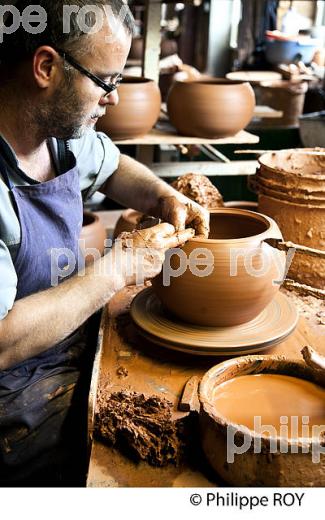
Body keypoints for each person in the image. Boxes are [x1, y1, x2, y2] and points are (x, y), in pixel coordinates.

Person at [0, 0, 209, 486]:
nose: (114, 98)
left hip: (70, 347)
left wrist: (163, 196)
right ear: (46, 67)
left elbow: (113, 168)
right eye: (106, 81)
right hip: (15, 400)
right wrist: (118, 268)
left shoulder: (58, 133)